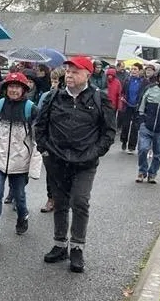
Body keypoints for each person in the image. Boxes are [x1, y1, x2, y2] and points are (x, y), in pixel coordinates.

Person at [34, 56, 116, 274]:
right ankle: (60, 244)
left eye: (75, 71)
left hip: (85, 163)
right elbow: (40, 127)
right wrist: (45, 151)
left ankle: (77, 247)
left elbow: (109, 132)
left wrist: (94, 152)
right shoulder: (53, 98)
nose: (69, 75)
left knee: (80, 201)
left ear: (87, 74)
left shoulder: (100, 99)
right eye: (67, 71)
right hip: (57, 161)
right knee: (60, 203)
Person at [0, 71, 37, 247]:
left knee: (19, 196)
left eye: (17, 87)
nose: (13, 90)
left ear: (24, 89)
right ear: (5, 89)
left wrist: (36, 159)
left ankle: (23, 216)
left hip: (20, 162)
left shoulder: (31, 109)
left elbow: (37, 136)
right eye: (10, 87)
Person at [38, 67, 64, 214]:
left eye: (56, 81)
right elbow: (39, 118)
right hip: (49, 141)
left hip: (64, 142)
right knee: (51, 173)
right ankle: (51, 198)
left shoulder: (68, 97)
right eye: (52, 80)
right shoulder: (46, 96)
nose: (53, 84)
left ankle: (62, 198)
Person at [118, 63, 147, 154]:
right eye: (132, 69)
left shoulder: (144, 82)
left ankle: (131, 146)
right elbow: (122, 92)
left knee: (135, 127)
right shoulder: (127, 80)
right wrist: (122, 97)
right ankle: (124, 141)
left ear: (140, 71)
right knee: (125, 125)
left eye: (135, 69)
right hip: (127, 105)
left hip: (137, 107)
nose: (133, 71)